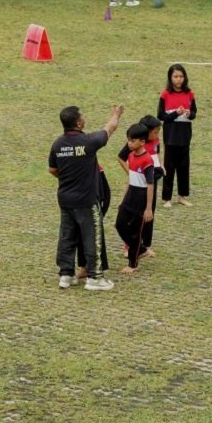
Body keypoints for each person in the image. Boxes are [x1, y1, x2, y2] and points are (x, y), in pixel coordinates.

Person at [49, 103, 125, 291]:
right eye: (82, 117)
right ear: (78, 124)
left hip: (65, 199)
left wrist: (68, 178)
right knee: (92, 237)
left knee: (67, 237)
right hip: (86, 200)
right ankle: (95, 277)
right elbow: (109, 129)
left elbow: (52, 169)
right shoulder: (88, 142)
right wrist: (116, 114)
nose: (84, 119)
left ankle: (66, 275)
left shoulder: (58, 144)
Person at [117, 115, 163, 256]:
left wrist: (161, 166)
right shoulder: (136, 144)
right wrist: (131, 173)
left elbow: (157, 154)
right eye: (155, 132)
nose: (157, 135)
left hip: (151, 180)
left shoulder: (156, 141)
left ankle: (146, 245)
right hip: (138, 185)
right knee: (133, 217)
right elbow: (121, 157)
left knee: (149, 213)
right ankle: (129, 246)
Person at [157, 63, 197, 208]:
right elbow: (161, 115)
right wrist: (175, 113)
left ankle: (182, 196)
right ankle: (166, 198)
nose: (178, 79)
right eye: (175, 76)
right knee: (169, 167)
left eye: (181, 76)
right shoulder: (165, 94)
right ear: (170, 78)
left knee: (184, 167)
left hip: (185, 136)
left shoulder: (189, 94)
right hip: (171, 137)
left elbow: (194, 113)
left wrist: (189, 114)